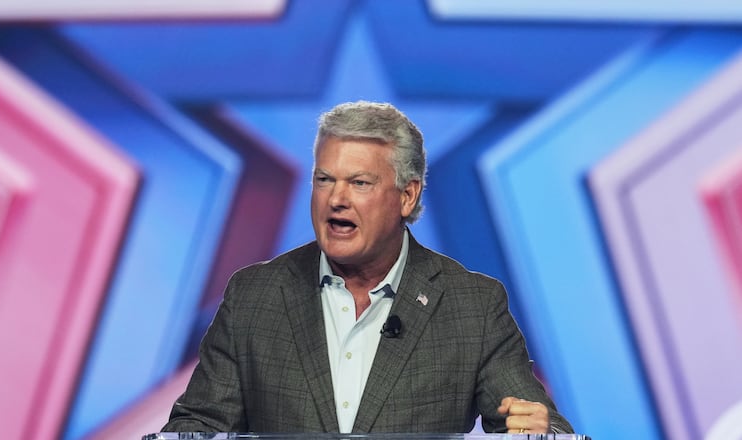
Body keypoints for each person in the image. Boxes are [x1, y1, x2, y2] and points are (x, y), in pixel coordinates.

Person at [163, 101, 573, 434]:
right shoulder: (255, 296)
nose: (336, 198)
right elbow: (198, 424)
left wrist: (542, 431)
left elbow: (535, 421)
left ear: (407, 197)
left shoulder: (473, 306)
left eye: (359, 183)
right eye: (324, 180)